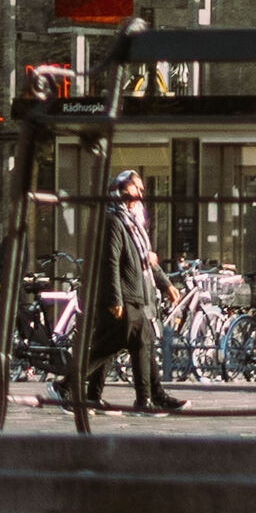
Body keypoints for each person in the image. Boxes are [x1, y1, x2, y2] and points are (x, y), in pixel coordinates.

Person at [77, 172, 184, 416]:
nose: (141, 194)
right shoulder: (113, 220)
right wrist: (116, 298)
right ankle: (68, 388)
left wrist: (165, 284)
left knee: (122, 344)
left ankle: (98, 396)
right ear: (124, 187)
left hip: (136, 293)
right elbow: (111, 262)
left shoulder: (131, 221)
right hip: (122, 295)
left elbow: (146, 258)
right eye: (138, 188)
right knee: (116, 345)